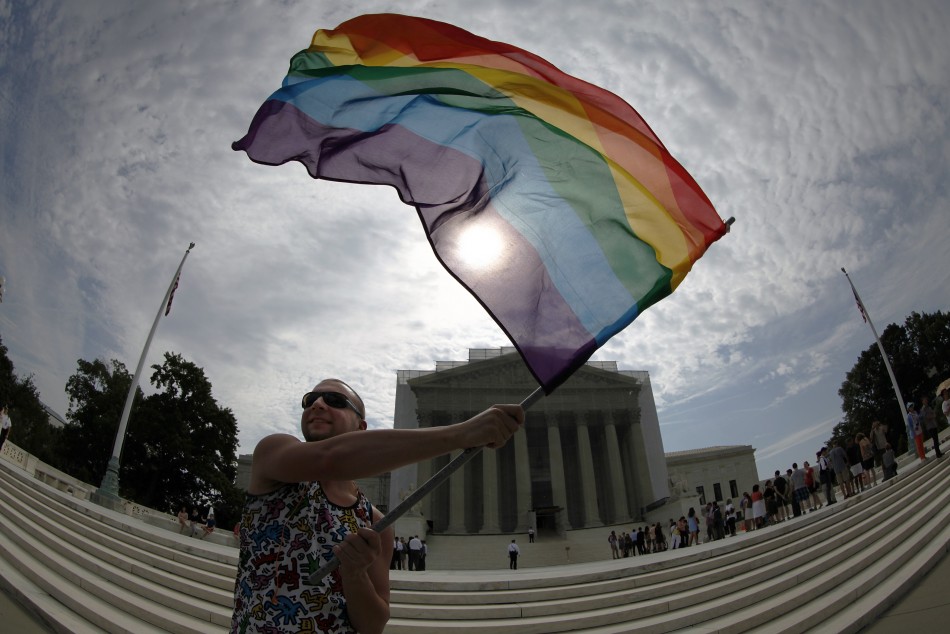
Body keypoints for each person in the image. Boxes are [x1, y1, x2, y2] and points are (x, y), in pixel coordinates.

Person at [230, 378, 523, 634]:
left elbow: (372, 625)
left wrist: (355, 574)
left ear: (361, 426)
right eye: (310, 399)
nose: (317, 404)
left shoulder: (376, 523)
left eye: (334, 400)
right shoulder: (274, 455)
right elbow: (330, 459)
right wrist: (461, 434)